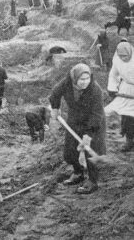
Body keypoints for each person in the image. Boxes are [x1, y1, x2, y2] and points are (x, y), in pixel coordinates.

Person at [49, 63, 106, 194]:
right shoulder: (67, 82)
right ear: (75, 78)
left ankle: (93, 181)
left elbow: (97, 115)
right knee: (71, 148)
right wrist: (55, 108)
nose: (85, 82)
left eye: (87, 79)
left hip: (93, 122)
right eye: (81, 79)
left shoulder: (96, 90)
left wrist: (87, 136)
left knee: (91, 150)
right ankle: (78, 173)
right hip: (74, 119)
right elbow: (55, 93)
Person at [105, 42, 134, 152]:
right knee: (127, 116)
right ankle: (129, 140)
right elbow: (113, 74)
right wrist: (112, 88)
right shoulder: (117, 59)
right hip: (126, 89)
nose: (123, 58)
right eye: (121, 56)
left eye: (125, 56)